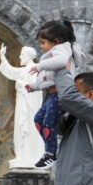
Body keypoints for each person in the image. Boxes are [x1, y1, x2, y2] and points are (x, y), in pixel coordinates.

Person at [26, 20, 84, 169]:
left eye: (43, 42)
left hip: (59, 95)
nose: (41, 46)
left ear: (56, 41)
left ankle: (51, 153)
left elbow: (60, 62)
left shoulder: (62, 50)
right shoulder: (50, 56)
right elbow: (46, 79)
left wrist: (39, 66)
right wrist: (33, 86)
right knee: (38, 119)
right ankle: (49, 150)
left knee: (47, 122)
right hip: (51, 95)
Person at [0, 45, 44, 168]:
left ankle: (30, 155)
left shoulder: (34, 70)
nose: (19, 57)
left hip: (29, 107)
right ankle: (22, 155)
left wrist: (22, 84)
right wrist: (2, 56)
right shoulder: (23, 70)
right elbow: (11, 71)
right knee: (20, 127)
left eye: (22, 55)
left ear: (29, 56)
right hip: (22, 104)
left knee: (28, 127)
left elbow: (35, 88)